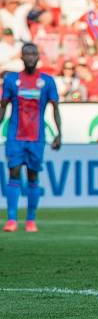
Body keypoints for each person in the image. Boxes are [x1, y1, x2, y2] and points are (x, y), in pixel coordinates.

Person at [1, 43, 62, 233]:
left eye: (33, 53)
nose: (30, 57)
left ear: (37, 57)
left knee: (33, 175)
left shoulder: (47, 81)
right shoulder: (11, 80)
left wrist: (59, 133)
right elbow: (3, 106)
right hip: (15, 135)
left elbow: (55, 108)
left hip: (37, 137)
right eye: (26, 53)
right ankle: (12, 220)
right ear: (21, 57)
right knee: (14, 172)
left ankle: (30, 220)